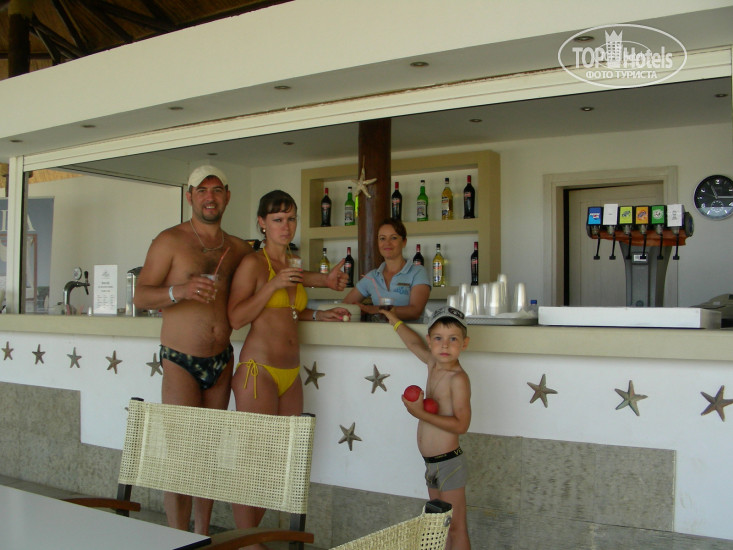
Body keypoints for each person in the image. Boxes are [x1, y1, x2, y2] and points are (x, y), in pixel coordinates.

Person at [133, 167, 346, 535]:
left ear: (227, 196)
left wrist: (323, 286)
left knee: (211, 452)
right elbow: (140, 296)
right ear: (190, 196)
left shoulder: (237, 248)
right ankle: (176, 539)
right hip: (183, 357)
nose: (210, 197)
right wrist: (178, 292)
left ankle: (202, 535)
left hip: (221, 359)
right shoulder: (170, 241)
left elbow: (282, 275)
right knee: (183, 454)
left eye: (217, 190)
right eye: (202, 190)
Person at [227, 190, 348, 541]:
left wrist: (319, 313)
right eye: (278, 219)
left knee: (282, 463)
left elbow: (290, 311)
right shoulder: (253, 263)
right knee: (254, 462)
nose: (286, 226)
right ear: (262, 224)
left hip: (290, 373)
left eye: (291, 218)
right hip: (258, 371)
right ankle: (246, 542)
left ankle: (247, 538)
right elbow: (236, 318)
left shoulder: (292, 264)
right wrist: (272, 286)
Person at [383, 305, 472, 550]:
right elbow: (413, 343)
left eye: (453, 339)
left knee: (456, 526)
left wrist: (420, 413)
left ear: (464, 344)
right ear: (430, 342)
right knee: (440, 525)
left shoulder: (458, 379)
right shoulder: (433, 363)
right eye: (438, 338)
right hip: (431, 463)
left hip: (448, 463)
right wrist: (394, 319)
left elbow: (462, 425)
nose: (445, 345)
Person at [343, 217, 430, 321]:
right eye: (382, 238)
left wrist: (375, 309)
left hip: (407, 332)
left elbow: (415, 312)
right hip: (378, 331)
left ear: (404, 242)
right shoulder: (372, 277)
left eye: (393, 238)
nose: (387, 243)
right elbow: (345, 306)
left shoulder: (418, 272)